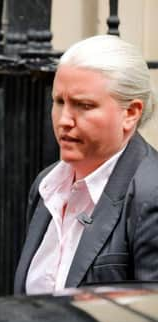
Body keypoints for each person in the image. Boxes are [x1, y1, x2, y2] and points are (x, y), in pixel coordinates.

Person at [14, 35, 158, 295]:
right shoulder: (47, 185)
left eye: (84, 105)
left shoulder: (151, 194)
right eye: (59, 102)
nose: (64, 120)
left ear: (131, 113)